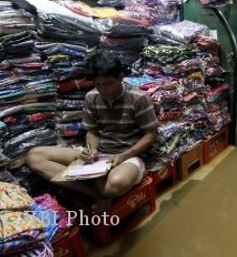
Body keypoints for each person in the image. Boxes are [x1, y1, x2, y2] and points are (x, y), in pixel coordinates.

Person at [26, 50, 158, 213]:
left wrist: (124, 155)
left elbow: (151, 134)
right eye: (99, 85)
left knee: (116, 183)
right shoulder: (92, 97)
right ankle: (98, 194)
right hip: (100, 155)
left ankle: (93, 186)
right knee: (34, 156)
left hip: (127, 155)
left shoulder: (138, 98)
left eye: (109, 83)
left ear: (120, 77)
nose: (104, 90)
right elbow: (92, 132)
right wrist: (92, 150)